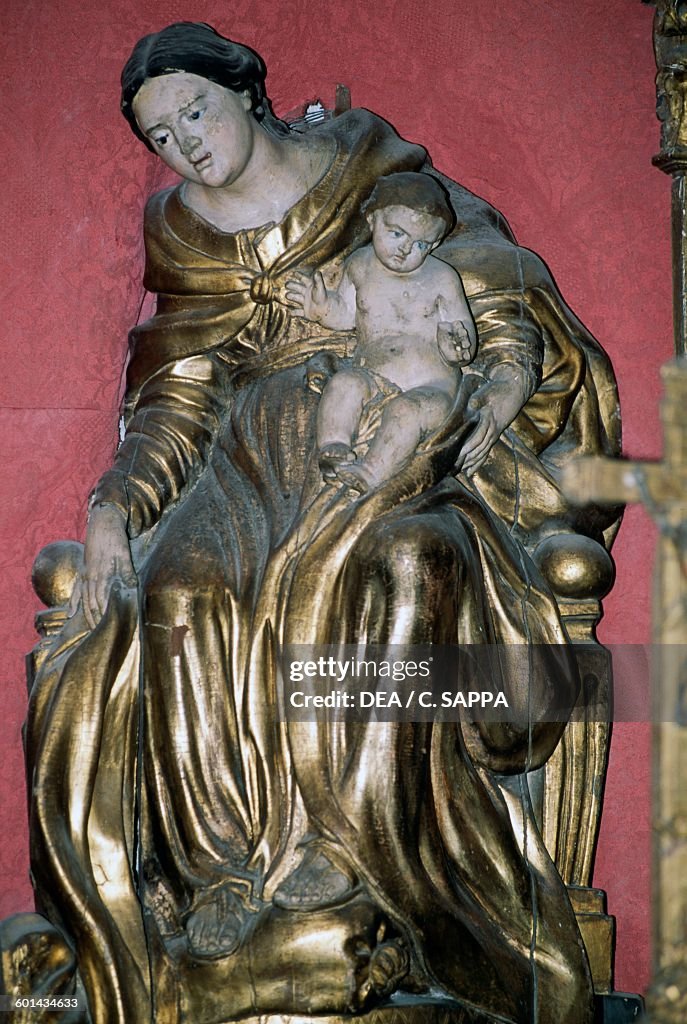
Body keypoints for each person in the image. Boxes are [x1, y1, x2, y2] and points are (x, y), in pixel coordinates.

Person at [20, 20, 622, 1024]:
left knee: (404, 569)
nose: (186, 145)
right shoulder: (180, 232)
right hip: (250, 463)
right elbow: (177, 398)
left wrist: (480, 395)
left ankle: (361, 867)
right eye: (160, 136)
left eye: (196, 112)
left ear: (247, 92)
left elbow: (490, 287)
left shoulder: (370, 174)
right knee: (178, 588)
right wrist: (115, 503)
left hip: (394, 452)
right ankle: (226, 881)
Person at [286, 171, 479, 492]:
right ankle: (333, 447)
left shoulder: (442, 278)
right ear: (373, 219)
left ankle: (372, 472)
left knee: (406, 412)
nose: (406, 250)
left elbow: (464, 338)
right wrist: (319, 309)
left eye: (420, 244)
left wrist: (457, 347)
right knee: (344, 383)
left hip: (431, 387)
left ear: (435, 244)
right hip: (372, 375)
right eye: (397, 234)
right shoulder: (359, 265)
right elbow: (347, 314)